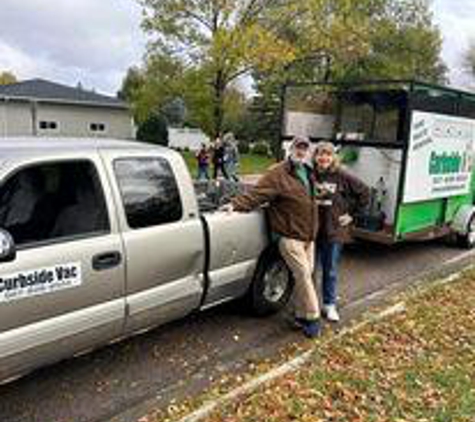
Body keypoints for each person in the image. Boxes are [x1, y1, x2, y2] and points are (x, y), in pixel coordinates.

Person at [222, 136, 321, 338]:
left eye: (304, 149)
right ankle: (313, 319)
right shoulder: (278, 173)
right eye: (297, 148)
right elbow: (258, 193)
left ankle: (301, 315)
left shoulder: (308, 172)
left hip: (308, 237)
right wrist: (235, 205)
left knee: (306, 277)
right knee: (303, 275)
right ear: (290, 149)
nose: (301, 152)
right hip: (290, 237)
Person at [313, 141, 370, 322]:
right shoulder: (310, 174)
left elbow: (365, 193)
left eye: (328, 155)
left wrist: (351, 214)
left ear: (333, 157)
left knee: (329, 270)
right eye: (320, 154)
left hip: (333, 231)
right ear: (315, 157)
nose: (324, 158)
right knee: (310, 271)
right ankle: (310, 304)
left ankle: (329, 305)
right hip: (313, 231)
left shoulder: (341, 175)